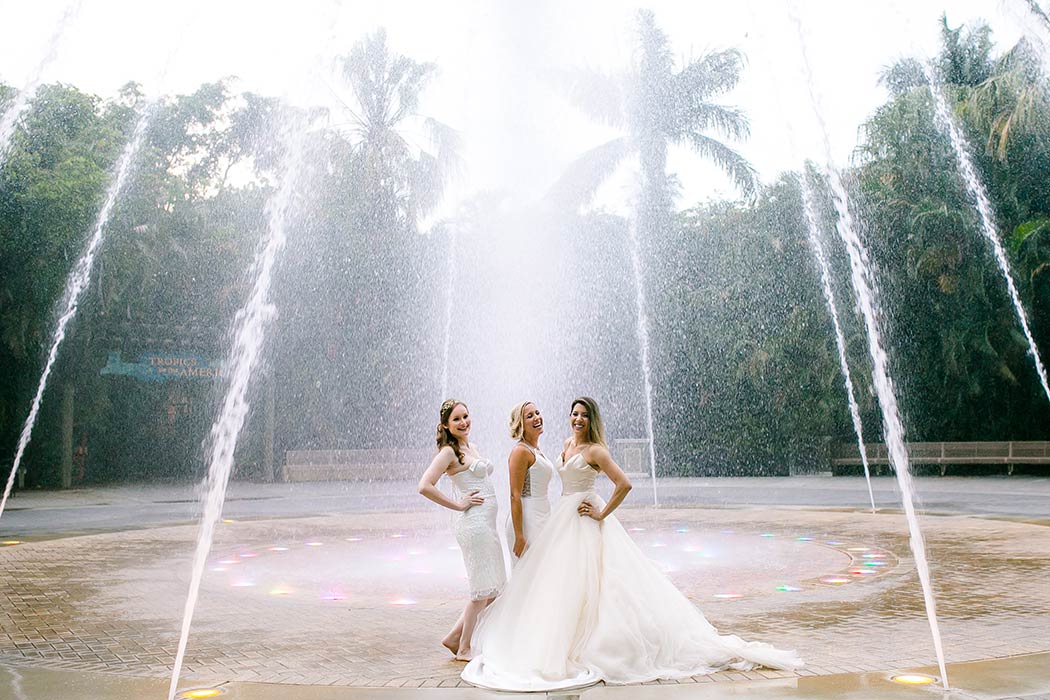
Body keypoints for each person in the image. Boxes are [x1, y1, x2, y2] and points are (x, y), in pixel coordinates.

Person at [462, 396, 803, 691]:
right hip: (561, 521)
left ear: (591, 420)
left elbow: (623, 484)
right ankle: (562, 640)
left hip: (584, 518)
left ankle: (596, 644)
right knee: (566, 586)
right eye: (574, 413)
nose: (577, 418)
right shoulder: (565, 445)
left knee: (599, 585)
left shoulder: (596, 450)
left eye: (583, 415)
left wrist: (601, 512)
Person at [418, 399, 506, 661]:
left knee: (493, 588)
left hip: (486, 525)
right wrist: (458, 504)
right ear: (446, 425)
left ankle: (454, 637)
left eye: (465, 416)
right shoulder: (448, 452)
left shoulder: (470, 447)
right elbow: (425, 486)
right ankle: (464, 647)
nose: (463, 422)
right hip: (473, 525)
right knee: (482, 589)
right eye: (456, 419)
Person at [506, 401, 554, 560]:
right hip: (528, 519)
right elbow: (515, 495)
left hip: (542, 514)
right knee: (530, 572)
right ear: (521, 425)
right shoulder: (520, 451)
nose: (537, 418)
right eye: (529, 416)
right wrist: (519, 536)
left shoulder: (536, 449)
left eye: (537, 413)